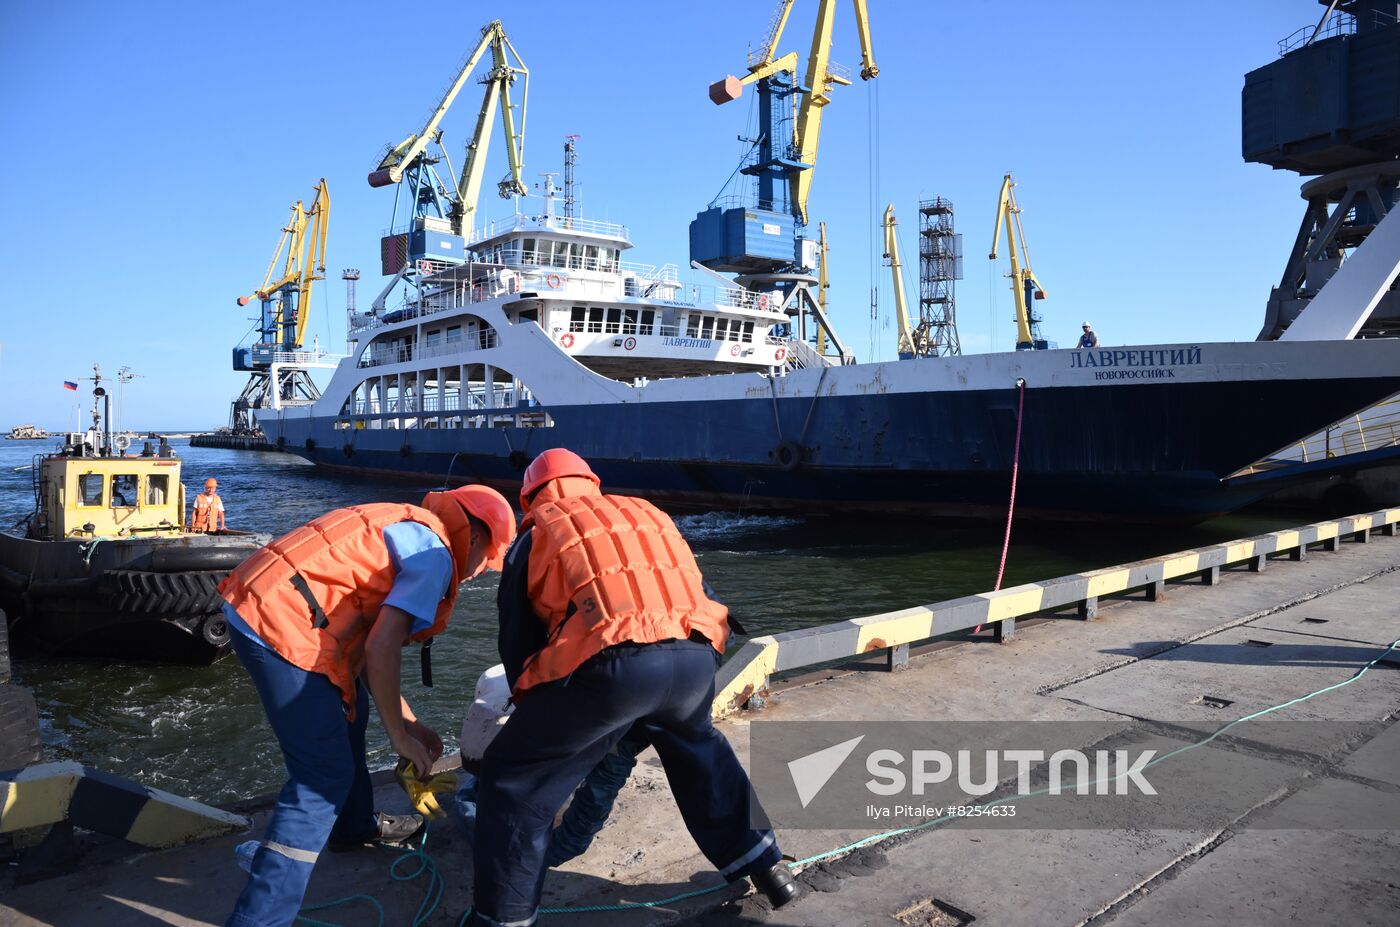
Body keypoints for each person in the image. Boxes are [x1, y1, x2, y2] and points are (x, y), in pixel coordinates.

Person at [466, 449, 796, 927]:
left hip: (613, 666)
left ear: (529, 495)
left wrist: (534, 713)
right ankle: (765, 867)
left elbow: (517, 639)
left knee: (516, 778)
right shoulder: (646, 513)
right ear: (591, 482)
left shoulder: (538, 532)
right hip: (696, 656)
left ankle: (502, 917)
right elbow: (691, 591)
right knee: (698, 750)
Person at [218, 485, 516, 927]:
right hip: (277, 622)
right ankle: (259, 920)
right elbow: (380, 648)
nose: (476, 573)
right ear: (472, 538)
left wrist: (411, 724)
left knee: (349, 710)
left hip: (265, 600)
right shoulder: (434, 557)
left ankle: (354, 827)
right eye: (484, 561)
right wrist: (398, 735)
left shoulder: (410, 525)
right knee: (321, 780)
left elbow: (360, 653)